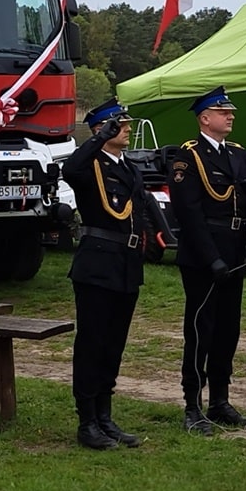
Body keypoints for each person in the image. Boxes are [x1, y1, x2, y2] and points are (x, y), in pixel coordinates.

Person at [170, 86, 246, 434]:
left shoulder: (237, 155)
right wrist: (212, 259)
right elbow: (189, 213)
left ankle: (220, 400)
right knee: (200, 330)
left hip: (235, 251)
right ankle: (192, 403)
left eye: (231, 112)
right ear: (205, 118)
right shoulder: (188, 156)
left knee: (228, 330)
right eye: (223, 112)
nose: (231, 116)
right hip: (203, 256)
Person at [64, 98, 148, 450]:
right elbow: (69, 170)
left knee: (113, 345)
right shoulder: (91, 165)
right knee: (93, 343)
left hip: (126, 263)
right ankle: (87, 422)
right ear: (103, 129)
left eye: (126, 124)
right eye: (120, 125)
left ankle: (104, 415)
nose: (127, 129)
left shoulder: (126, 167)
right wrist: (97, 139)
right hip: (97, 264)